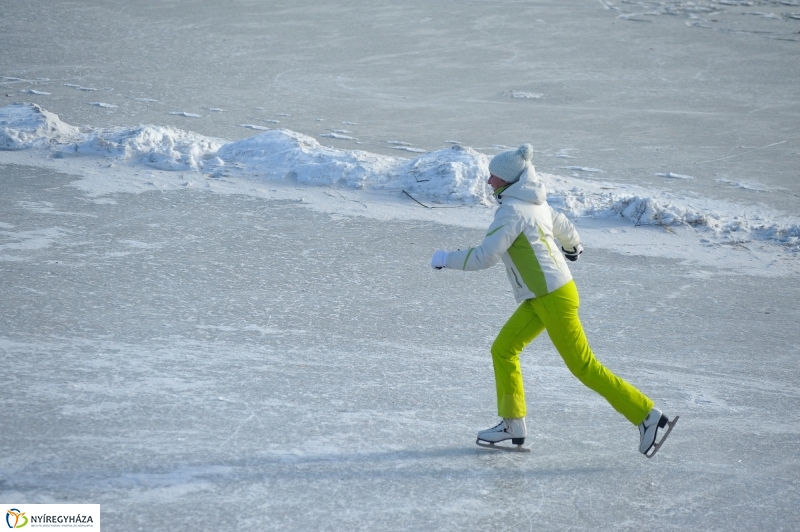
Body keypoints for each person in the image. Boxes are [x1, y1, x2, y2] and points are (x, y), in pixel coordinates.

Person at [430, 144, 677, 457]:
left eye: (494, 176)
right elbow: (560, 223)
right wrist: (573, 246)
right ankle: (512, 424)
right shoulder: (533, 204)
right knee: (503, 349)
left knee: (584, 366)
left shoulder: (512, 211)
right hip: (541, 297)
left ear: (507, 180)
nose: (489, 181)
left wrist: (444, 258)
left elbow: (485, 256)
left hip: (553, 298)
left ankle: (647, 416)